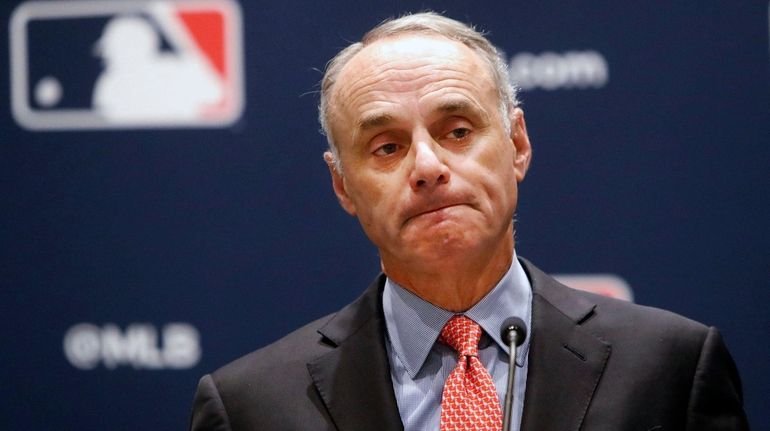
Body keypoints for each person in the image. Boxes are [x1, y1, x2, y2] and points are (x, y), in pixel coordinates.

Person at [189, 12, 749, 431]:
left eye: (457, 131)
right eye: (387, 147)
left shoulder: (669, 365)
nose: (428, 167)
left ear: (518, 144)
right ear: (343, 186)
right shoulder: (250, 406)